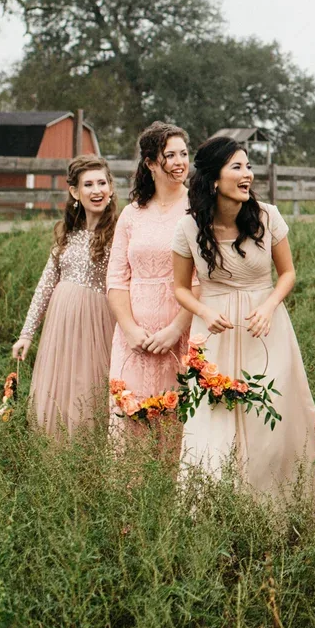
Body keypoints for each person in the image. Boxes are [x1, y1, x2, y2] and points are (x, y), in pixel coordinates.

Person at [171, 137, 315, 507]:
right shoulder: (188, 229)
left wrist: (270, 305)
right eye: (238, 167)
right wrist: (204, 311)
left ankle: (274, 511)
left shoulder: (267, 216)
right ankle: (213, 513)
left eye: (248, 167)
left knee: (268, 426)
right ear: (214, 180)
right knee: (213, 426)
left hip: (266, 329)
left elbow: (288, 273)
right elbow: (179, 288)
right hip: (215, 333)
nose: (249, 174)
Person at [11, 155, 120, 435]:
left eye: (102, 183)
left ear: (110, 187)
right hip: (61, 326)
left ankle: (92, 456)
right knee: (61, 387)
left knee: (91, 384)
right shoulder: (67, 233)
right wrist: (26, 334)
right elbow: (45, 284)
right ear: (75, 191)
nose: (97, 190)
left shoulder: (119, 232)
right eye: (88, 184)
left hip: (99, 323)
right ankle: (58, 460)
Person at [106, 122, 196, 440]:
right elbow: (116, 278)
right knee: (129, 420)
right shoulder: (132, 214)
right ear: (150, 162)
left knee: (175, 423)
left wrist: (175, 330)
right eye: (169, 155)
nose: (179, 162)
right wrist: (129, 329)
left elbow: (202, 279)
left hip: (180, 332)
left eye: (183, 154)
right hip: (134, 337)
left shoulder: (198, 210)